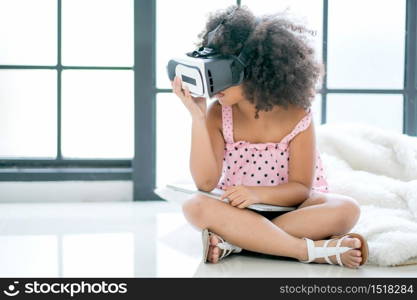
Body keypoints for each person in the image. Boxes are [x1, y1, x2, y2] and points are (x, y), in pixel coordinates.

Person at [171, 5, 368, 268]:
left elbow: (300, 188)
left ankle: (240, 241)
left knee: (347, 209)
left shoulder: (297, 115)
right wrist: (196, 116)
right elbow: (205, 183)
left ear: (254, 70)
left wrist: (257, 194)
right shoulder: (219, 113)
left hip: (293, 209)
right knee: (194, 206)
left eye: (220, 73)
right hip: (240, 210)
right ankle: (308, 250)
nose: (213, 84)